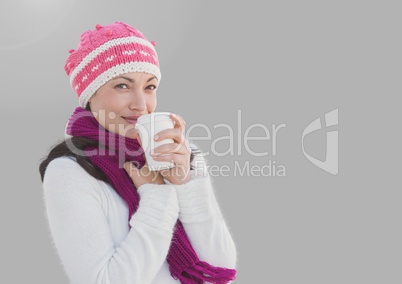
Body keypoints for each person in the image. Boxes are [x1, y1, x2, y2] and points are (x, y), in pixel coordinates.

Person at [39, 21, 237, 284]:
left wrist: (186, 183)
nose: (141, 105)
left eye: (150, 87)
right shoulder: (70, 172)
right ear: (90, 95)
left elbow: (220, 268)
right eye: (122, 85)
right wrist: (155, 196)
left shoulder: (176, 156)